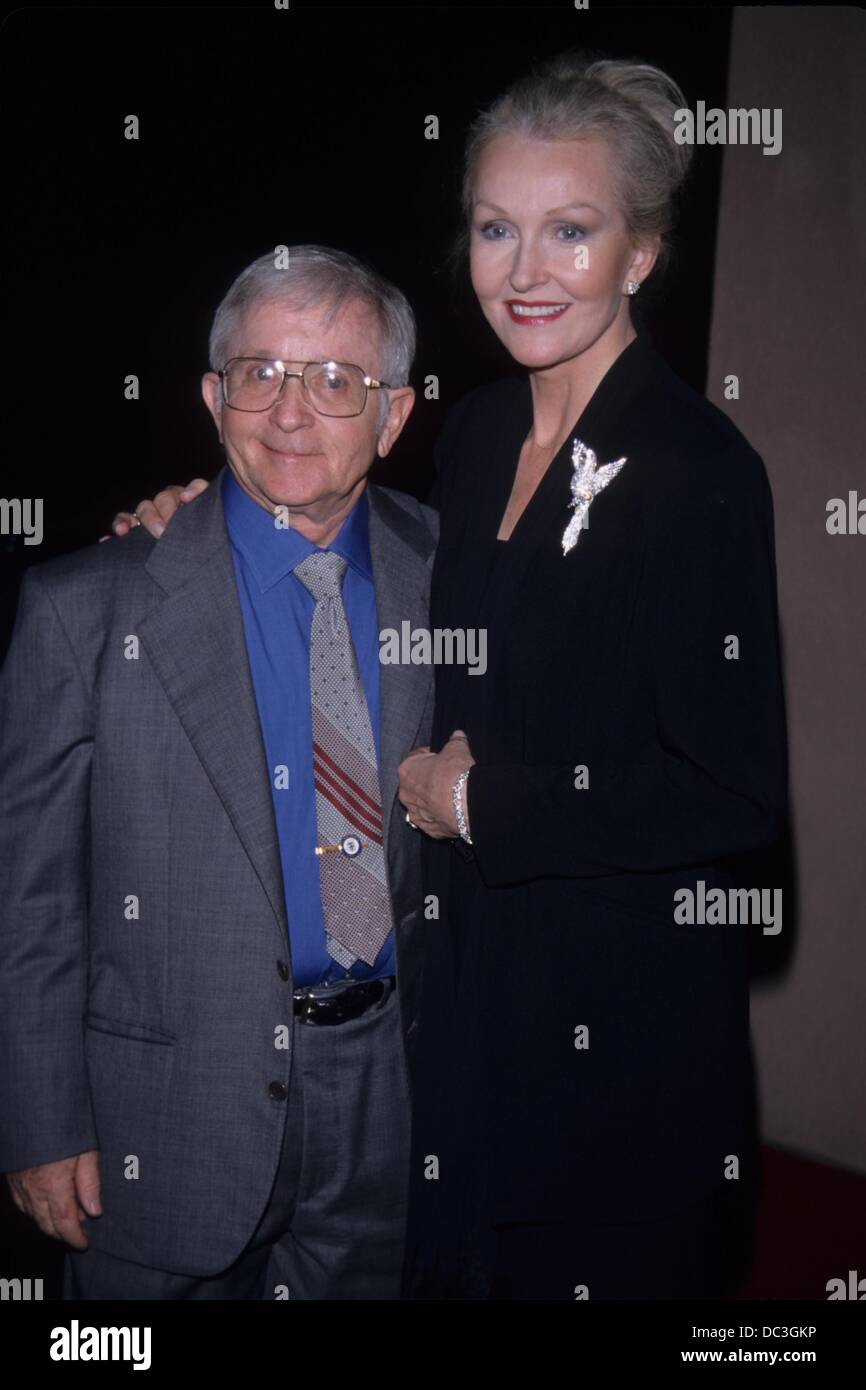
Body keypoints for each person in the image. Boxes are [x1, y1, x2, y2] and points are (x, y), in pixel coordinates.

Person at [111, 51, 790, 1301]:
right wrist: (204, 518)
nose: (524, 272)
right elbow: (352, 552)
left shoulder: (697, 471)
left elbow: (734, 798)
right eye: (495, 229)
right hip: (460, 1041)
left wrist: (480, 806)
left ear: (639, 252)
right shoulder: (478, 433)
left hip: (613, 1062)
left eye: (569, 232)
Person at [0, 245, 439, 1299]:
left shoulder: (451, 569)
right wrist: (37, 1117)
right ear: (212, 395)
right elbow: (29, 898)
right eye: (260, 373)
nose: (290, 413)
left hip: (389, 1101)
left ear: (392, 416)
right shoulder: (86, 609)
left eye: (336, 381)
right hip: (159, 1116)